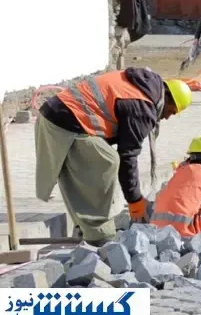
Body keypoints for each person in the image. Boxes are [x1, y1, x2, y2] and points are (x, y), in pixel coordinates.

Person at [34, 69, 192, 245]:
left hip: (62, 116)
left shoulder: (143, 89)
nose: (168, 117)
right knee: (105, 161)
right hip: (64, 122)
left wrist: (134, 196)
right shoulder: (142, 106)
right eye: (172, 111)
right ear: (168, 98)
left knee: (95, 163)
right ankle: (100, 237)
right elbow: (128, 157)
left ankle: (85, 228)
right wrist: (135, 201)